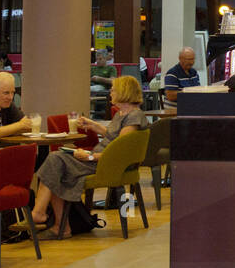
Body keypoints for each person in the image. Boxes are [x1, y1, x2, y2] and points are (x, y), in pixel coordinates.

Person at [30, 75, 148, 238]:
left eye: (113, 90)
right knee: (55, 164)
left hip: (106, 163)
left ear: (124, 92)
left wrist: (90, 157)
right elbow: (115, 137)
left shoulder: (134, 116)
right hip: (101, 158)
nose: (110, 93)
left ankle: (45, 216)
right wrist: (94, 126)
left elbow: (120, 151)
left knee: (54, 160)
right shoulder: (124, 114)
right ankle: (54, 222)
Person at [162, 47, 200, 112]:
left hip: (190, 109)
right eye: (188, 59)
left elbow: (198, 90)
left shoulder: (194, 72)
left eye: (193, 59)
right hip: (175, 110)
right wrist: (188, 91)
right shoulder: (172, 73)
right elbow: (170, 96)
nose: (191, 62)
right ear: (180, 59)